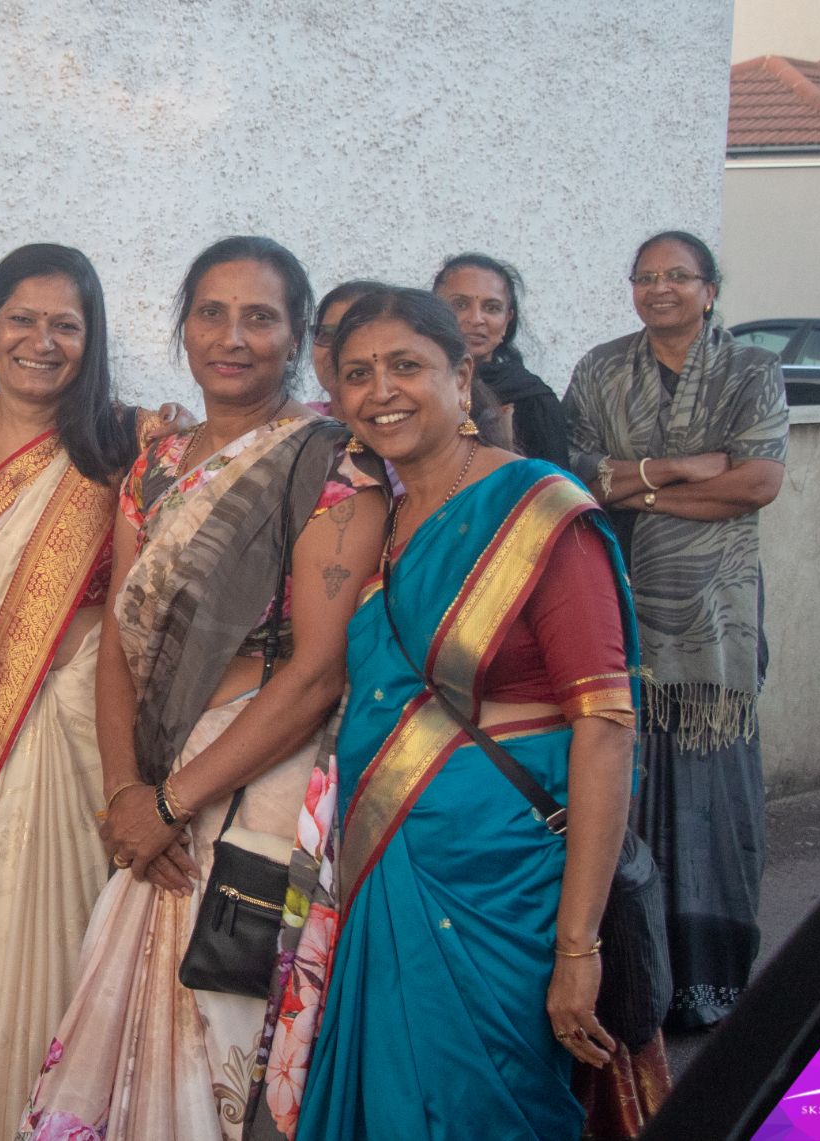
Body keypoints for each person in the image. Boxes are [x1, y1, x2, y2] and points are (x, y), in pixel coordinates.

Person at [18, 236, 385, 1141]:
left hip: (259, 778)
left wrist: (174, 799)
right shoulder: (155, 464)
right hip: (153, 775)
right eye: (212, 312)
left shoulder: (334, 462)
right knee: (129, 998)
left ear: (298, 335)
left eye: (260, 316)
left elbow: (318, 670)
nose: (233, 336)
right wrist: (124, 794)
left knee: (220, 1017)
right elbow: (118, 647)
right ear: (184, 326)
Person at [274, 287, 662, 1141]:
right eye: (357, 373)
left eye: (406, 366)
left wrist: (577, 947)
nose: (382, 391)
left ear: (463, 374)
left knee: (484, 1105)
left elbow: (605, 727)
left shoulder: (538, 506)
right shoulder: (384, 515)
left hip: (508, 884)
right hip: (388, 860)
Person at [0, 244, 167, 1141]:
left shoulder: (133, 440)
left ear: (91, 338)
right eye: (21, 318)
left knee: (76, 941)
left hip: (86, 731)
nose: (41, 341)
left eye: (66, 323)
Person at [563, 231, 787, 1032]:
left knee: (710, 803)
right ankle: (636, 981)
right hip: (618, 599)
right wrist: (683, 469)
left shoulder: (752, 371)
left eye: (678, 276)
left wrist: (636, 488)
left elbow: (758, 482)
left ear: (711, 288)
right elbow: (578, 476)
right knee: (624, 788)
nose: (660, 289)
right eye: (645, 277)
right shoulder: (599, 368)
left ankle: (708, 983)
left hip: (713, 627)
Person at [433, 253, 569, 465]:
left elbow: (555, 491)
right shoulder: (414, 386)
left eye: (492, 308)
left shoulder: (532, 399)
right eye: (460, 305)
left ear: (508, 319)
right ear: (433, 310)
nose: (476, 319)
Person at [307, 280, 390, 420]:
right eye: (327, 334)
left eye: (352, 334)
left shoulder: (401, 428)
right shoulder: (296, 426)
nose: (336, 349)